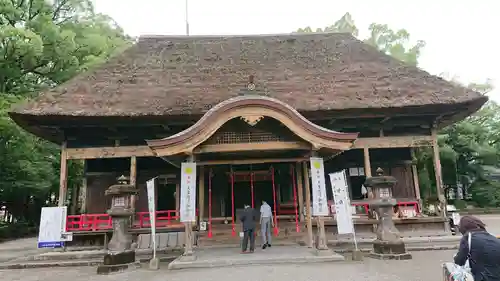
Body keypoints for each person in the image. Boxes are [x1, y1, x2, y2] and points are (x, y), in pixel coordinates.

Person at [454, 215, 500, 281]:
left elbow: (460, 261)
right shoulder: (492, 238)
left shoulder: (468, 237)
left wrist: (456, 257)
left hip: (483, 277)